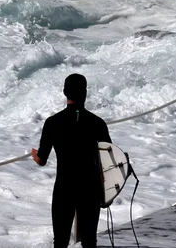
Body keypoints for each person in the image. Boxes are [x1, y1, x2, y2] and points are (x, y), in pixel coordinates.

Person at [31, 73, 111, 248]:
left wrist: (34, 154)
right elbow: (109, 160)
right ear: (85, 92)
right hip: (89, 188)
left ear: (64, 92)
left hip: (64, 187)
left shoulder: (52, 122)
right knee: (89, 241)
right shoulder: (97, 122)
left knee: (60, 241)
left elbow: (42, 160)